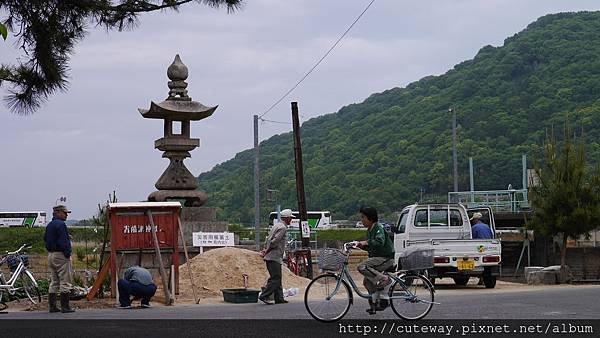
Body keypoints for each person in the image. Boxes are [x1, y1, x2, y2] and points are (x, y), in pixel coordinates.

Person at [356, 206, 395, 314]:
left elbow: (379, 242)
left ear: (370, 218)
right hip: (377, 258)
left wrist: (366, 242)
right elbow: (371, 246)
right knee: (367, 282)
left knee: (361, 267)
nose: (361, 220)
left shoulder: (378, 228)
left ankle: (385, 280)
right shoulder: (369, 230)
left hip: (385, 258)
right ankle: (375, 303)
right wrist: (359, 245)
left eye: (363, 217)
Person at [43, 205, 74, 313]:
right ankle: (65, 307)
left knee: (54, 281)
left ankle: (52, 306)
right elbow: (64, 242)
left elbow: (45, 239)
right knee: (65, 281)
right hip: (61, 255)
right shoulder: (61, 225)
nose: (66, 215)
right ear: (58, 212)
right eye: (65, 213)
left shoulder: (50, 225)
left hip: (51, 255)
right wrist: (67, 254)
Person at [258, 208, 291, 305]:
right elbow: (274, 242)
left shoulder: (276, 226)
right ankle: (264, 295)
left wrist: (265, 249)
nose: (291, 220)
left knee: (277, 277)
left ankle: (279, 298)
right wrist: (267, 251)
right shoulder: (283, 228)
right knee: (275, 278)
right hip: (274, 256)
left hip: (272, 256)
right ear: (287, 218)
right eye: (290, 218)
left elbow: (268, 239)